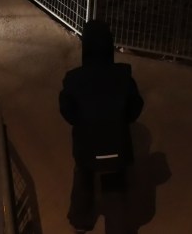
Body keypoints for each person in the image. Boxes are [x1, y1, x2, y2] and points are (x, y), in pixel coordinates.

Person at [59, 19, 144, 234]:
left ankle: (80, 221)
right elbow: (136, 107)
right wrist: (120, 121)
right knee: (114, 185)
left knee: (83, 177)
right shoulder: (124, 76)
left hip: (86, 146)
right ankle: (116, 228)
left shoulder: (74, 79)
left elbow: (66, 111)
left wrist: (83, 122)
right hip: (117, 145)